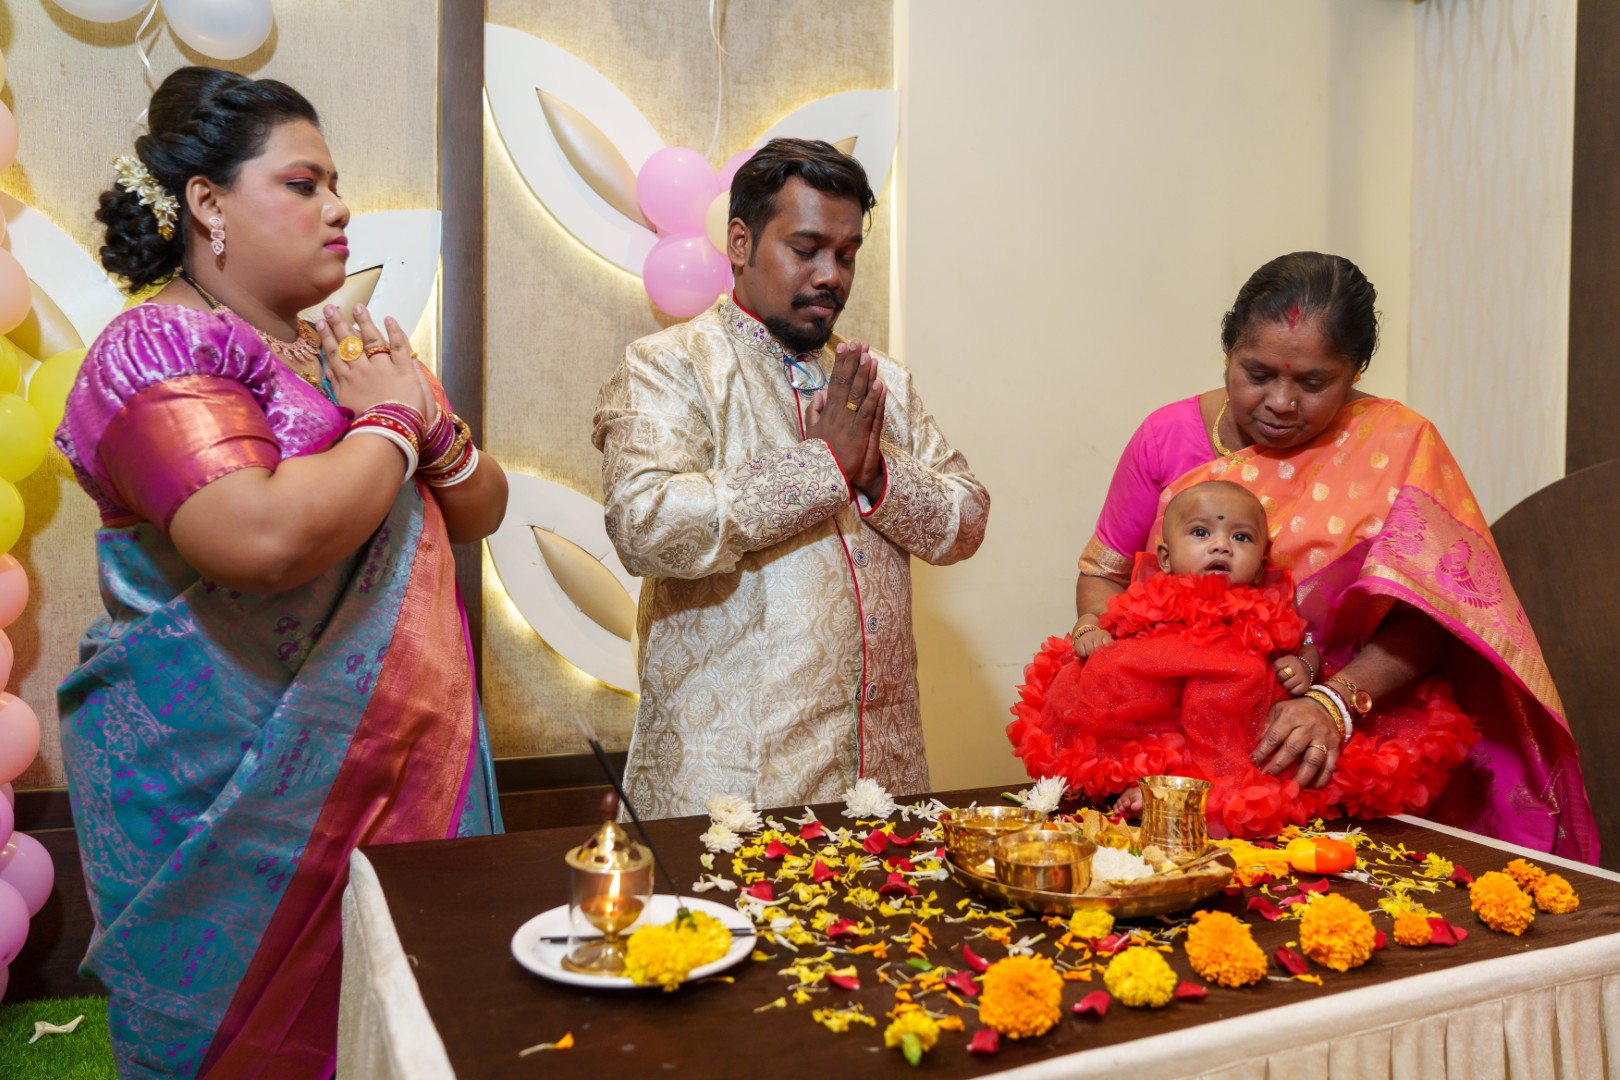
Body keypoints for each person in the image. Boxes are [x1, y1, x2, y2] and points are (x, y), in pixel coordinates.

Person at [54, 67, 507, 1077]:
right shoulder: (156, 346)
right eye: (304, 184)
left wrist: (423, 424)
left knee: (409, 1022)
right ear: (207, 205)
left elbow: (479, 507)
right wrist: (393, 421)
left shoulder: (344, 347)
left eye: (336, 184)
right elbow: (258, 540)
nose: (339, 208)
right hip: (228, 791)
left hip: (401, 760)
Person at [1010, 252, 1595, 859]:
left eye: (1313, 383)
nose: (1281, 402)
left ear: (1355, 371)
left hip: (1329, 731)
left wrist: (1333, 700)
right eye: (1257, 373)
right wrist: (1101, 644)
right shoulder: (1165, 437)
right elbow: (1102, 573)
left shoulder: (1399, 445)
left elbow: (1430, 618)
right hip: (1166, 731)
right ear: (1228, 351)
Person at [593, 138, 989, 819]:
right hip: (732, 790)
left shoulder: (881, 381)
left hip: (883, 780)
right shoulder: (670, 366)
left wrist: (875, 470)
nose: (831, 275)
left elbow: (966, 521)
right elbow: (643, 523)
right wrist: (822, 466)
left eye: (847, 254)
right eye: (806, 249)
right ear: (740, 243)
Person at [1010, 480, 1486, 837]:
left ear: (1260, 564)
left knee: (1247, 721)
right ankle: (1147, 785)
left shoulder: (1267, 606)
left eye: (1240, 538)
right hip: (1159, 711)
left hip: (1236, 719)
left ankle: (1198, 801)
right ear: (1167, 558)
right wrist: (1089, 628)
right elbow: (1109, 622)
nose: (1221, 545)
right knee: (1108, 680)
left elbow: (1302, 644)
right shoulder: (1149, 599)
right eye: (1201, 533)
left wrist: (1304, 668)